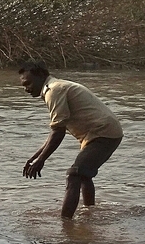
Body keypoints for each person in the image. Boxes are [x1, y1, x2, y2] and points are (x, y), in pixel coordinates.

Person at [18, 60, 123, 219]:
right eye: (24, 85)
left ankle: (66, 224)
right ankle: (89, 214)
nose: (26, 89)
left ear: (40, 75)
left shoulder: (54, 90)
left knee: (74, 175)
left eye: (28, 83)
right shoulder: (54, 88)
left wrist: (41, 160)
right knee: (83, 175)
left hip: (103, 133)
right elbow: (56, 131)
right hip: (99, 133)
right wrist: (35, 157)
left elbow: (58, 133)